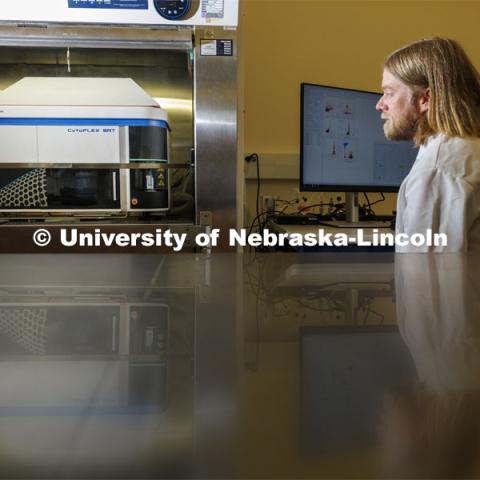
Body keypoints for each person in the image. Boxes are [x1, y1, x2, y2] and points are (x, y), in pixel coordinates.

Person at [376, 37, 480, 252]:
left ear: (426, 99)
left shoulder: (439, 169)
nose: (380, 105)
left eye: (389, 93)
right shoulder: (467, 149)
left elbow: (429, 280)